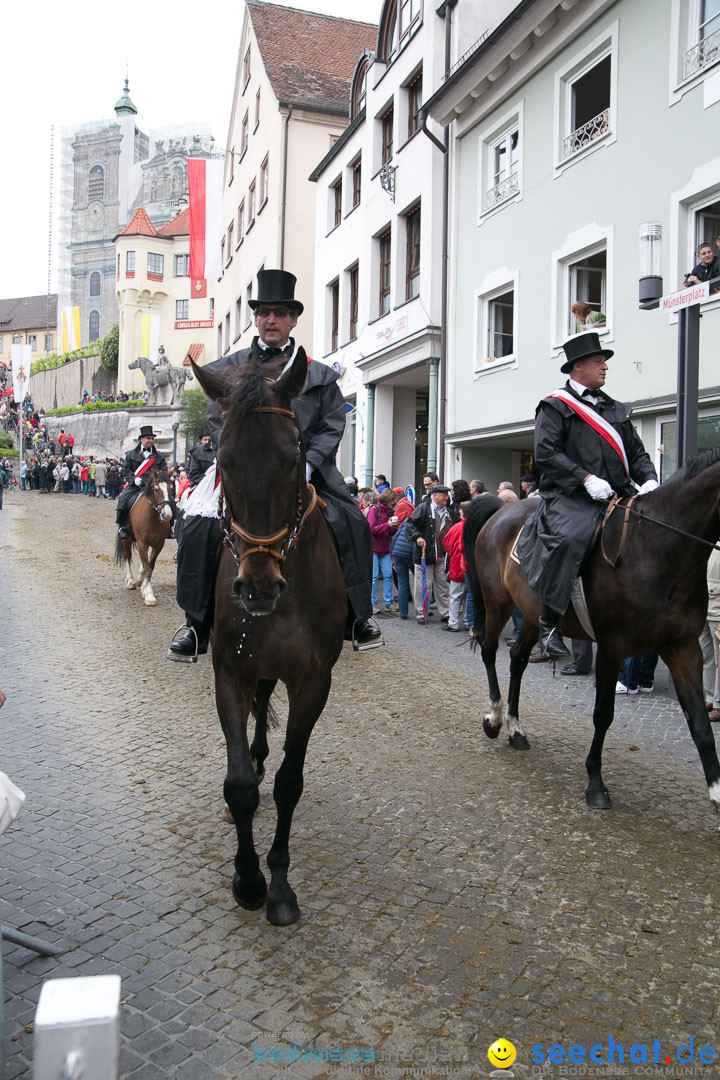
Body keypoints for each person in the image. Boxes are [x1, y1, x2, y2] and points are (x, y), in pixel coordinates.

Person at [169, 269, 379, 658]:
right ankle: (195, 624)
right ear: (255, 317)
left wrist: (309, 463)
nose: (271, 320)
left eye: (280, 313)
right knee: (196, 527)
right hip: (242, 470)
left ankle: (356, 616)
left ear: (293, 319)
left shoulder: (318, 375)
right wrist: (235, 457)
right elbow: (217, 422)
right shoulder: (227, 370)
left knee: (352, 521)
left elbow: (334, 422)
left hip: (305, 469)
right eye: (264, 312)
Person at [517, 331, 658, 659]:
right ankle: (549, 623)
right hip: (572, 495)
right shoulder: (554, 406)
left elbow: (636, 453)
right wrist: (585, 478)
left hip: (618, 493)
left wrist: (649, 480)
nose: (604, 367)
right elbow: (546, 454)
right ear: (577, 366)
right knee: (569, 538)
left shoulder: (615, 408)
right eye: (598, 361)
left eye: (604, 362)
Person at [405, 484, 452, 624]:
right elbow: (410, 524)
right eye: (443, 495)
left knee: (443, 586)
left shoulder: (447, 511)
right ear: (435, 495)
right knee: (423, 585)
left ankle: (446, 612)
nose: (446, 497)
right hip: (424, 554)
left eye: (446, 495)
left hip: (441, 555)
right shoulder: (424, 508)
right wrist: (417, 537)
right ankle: (421, 612)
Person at [115, 426, 167, 540]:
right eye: (148, 438)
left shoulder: (160, 456)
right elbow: (125, 470)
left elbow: (164, 471)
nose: (151, 440)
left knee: (169, 502)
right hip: (136, 486)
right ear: (141, 440)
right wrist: (133, 479)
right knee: (122, 501)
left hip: (154, 487)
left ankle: (169, 527)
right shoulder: (130, 455)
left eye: (152, 438)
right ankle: (122, 527)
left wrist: (158, 481)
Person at [367, 488, 398, 614]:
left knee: (388, 575)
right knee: (374, 577)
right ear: (388, 500)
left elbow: (389, 531)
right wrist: (388, 526)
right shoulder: (375, 510)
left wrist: (394, 528)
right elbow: (371, 528)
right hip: (374, 548)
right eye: (393, 500)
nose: (395, 503)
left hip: (385, 548)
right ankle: (372, 602)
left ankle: (388, 602)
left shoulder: (389, 512)